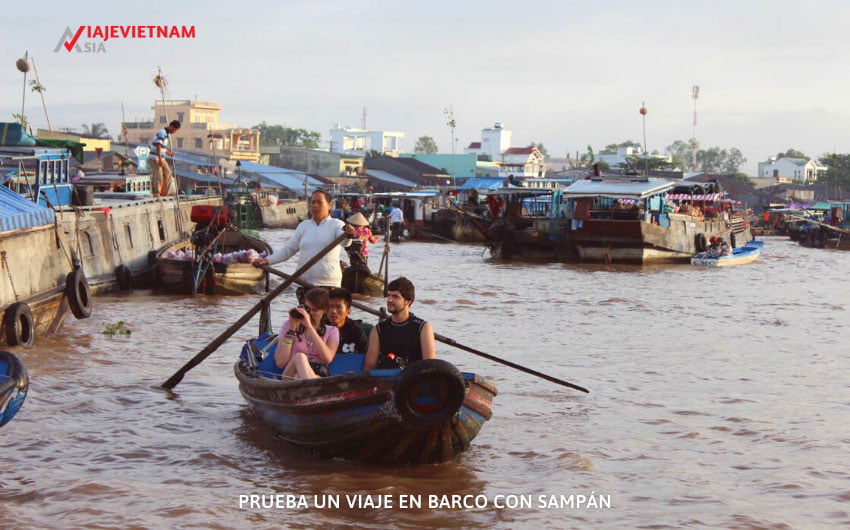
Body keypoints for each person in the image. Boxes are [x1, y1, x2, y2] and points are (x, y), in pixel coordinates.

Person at [253, 190, 355, 301]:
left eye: (319, 202)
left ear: (329, 205)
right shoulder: (304, 226)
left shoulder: (337, 224)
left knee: (325, 317)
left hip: (328, 283)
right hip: (303, 282)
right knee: (305, 317)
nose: (315, 205)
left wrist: (348, 234)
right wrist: (268, 260)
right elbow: (288, 250)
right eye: (313, 202)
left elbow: (345, 242)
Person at [364, 277, 436, 370]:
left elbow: (429, 366)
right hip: (385, 380)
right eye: (389, 295)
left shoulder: (423, 328)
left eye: (395, 297)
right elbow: (369, 367)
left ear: (408, 301)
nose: (389, 300)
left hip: (414, 380)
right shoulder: (378, 330)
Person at [274, 288, 339, 379]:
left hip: (316, 376)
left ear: (324, 311)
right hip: (290, 374)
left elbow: (327, 358)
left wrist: (310, 327)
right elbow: (280, 362)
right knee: (300, 357)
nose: (310, 314)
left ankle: (309, 385)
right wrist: (292, 330)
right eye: (308, 309)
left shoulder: (332, 331)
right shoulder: (289, 326)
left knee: (298, 377)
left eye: (315, 310)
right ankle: (313, 388)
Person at [326, 288, 369, 354]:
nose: (333, 311)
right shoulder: (320, 327)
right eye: (330, 306)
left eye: (338, 307)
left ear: (348, 311)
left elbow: (367, 354)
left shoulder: (355, 330)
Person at [150, 120, 181, 197]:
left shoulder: (167, 135)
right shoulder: (162, 132)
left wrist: (168, 152)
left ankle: (165, 193)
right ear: (171, 126)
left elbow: (162, 147)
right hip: (155, 158)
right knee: (159, 176)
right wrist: (159, 159)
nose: (174, 132)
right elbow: (158, 146)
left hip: (162, 158)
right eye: (175, 130)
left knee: (168, 174)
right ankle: (156, 193)